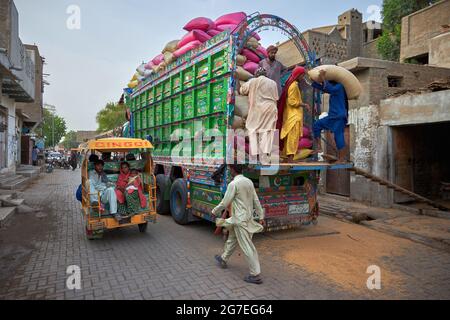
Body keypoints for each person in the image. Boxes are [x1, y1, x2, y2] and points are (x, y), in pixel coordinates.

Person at [212, 164, 265, 285]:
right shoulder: (249, 182)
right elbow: (255, 200)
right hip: (244, 218)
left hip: (240, 220)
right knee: (232, 238)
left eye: (230, 169)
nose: (229, 171)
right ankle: (224, 258)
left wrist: (214, 211)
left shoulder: (233, 184)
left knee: (247, 247)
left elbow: (225, 202)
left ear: (232, 170)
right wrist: (261, 216)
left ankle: (255, 274)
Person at [238, 67, 279, 160]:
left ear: (256, 74)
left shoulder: (253, 81)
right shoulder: (273, 83)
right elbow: (276, 97)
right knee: (268, 132)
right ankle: (265, 156)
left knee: (253, 130)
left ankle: (255, 155)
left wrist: (237, 79)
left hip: (258, 109)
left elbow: (242, 90)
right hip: (271, 109)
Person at [312, 70, 349, 162]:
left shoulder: (339, 87)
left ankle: (342, 159)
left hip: (339, 117)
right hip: (332, 117)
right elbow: (325, 88)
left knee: (338, 136)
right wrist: (314, 82)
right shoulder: (334, 88)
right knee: (316, 125)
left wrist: (323, 77)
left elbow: (329, 88)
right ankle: (319, 147)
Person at [278, 66, 311, 162]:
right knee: (293, 137)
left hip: (291, 115)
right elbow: (292, 101)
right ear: (298, 75)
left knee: (290, 137)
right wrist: (304, 104)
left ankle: (286, 159)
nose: (303, 77)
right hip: (294, 116)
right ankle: (290, 159)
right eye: (302, 75)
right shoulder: (294, 85)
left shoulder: (291, 84)